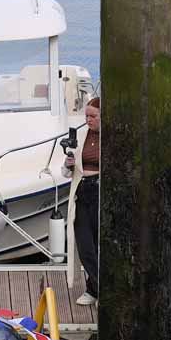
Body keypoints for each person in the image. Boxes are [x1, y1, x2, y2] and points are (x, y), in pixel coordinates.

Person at [68, 96, 102, 306]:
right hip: (81, 191)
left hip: (101, 191)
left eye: (93, 116)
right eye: (86, 116)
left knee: (100, 244)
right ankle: (100, 289)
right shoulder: (81, 135)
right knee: (84, 246)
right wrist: (68, 163)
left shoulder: (113, 138)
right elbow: (66, 172)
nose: (88, 120)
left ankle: (94, 289)